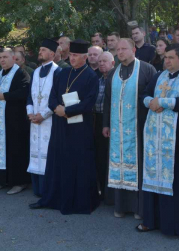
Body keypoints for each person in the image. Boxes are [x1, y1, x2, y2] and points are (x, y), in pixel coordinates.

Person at [138, 43, 179, 235]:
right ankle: (151, 220)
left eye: (171, 58)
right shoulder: (159, 76)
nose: (166, 61)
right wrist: (150, 102)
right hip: (155, 138)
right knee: (154, 176)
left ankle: (177, 226)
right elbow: (145, 93)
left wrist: (162, 102)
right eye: (165, 57)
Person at [30, 39, 100, 214]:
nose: (73, 58)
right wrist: (56, 109)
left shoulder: (91, 76)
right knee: (57, 160)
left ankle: (77, 201)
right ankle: (53, 197)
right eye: (72, 55)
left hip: (79, 127)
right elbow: (52, 96)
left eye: (76, 55)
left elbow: (89, 103)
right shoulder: (63, 73)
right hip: (60, 125)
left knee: (77, 162)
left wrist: (67, 110)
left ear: (85, 57)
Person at [103, 39, 157, 219]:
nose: (120, 52)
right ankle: (120, 206)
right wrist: (105, 124)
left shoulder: (147, 69)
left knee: (139, 165)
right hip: (117, 128)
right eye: (117, 49)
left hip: (139, 128)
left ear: (133, 49)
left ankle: (138, 208)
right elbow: (107, 100)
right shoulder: (112, 73)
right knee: (117, 164)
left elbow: (153, 96)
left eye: (124, 48)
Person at [0, 48, 31, 194]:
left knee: (15, 150)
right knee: (0, 150)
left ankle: (19, 182)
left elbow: (24, 92)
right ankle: (1, 180)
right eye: (0, 57)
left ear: (13, 58)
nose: (2, 60)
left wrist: (3, 96)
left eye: (5, 57)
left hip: (14, 121)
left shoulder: (21, 73)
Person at [27, 39, 61, 197]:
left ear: (52, 54)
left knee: (48, 154)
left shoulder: (58, 72)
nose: (40, 52)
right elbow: (30, 96)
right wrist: (30, 113)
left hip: (50, 120)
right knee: (35, 152)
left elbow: (58, 98)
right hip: (34, 120)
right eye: (40, 49)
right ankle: (38, 190)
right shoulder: (35, 71)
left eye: (43, 50)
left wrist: (44, 114)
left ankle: (49, 190)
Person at [94, 51, 115, 204]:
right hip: (97, 120)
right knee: (100, 158)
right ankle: (101, 192)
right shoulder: (98, 80)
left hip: (112, 122)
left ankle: (113, 194)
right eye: (100, 61)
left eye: (105, 61)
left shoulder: (116, 79)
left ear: (113, 63)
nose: (101, 63)